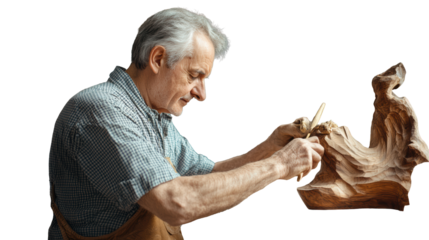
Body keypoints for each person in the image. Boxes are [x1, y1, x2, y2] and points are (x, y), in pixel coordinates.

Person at [48, 5, 324, 240]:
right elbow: (176, 202)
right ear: (158, 58)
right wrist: (280, 164)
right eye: (195, 75)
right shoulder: (102, 110)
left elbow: (203, 175)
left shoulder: (152, 113)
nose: (202, 95)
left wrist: (271, 146)